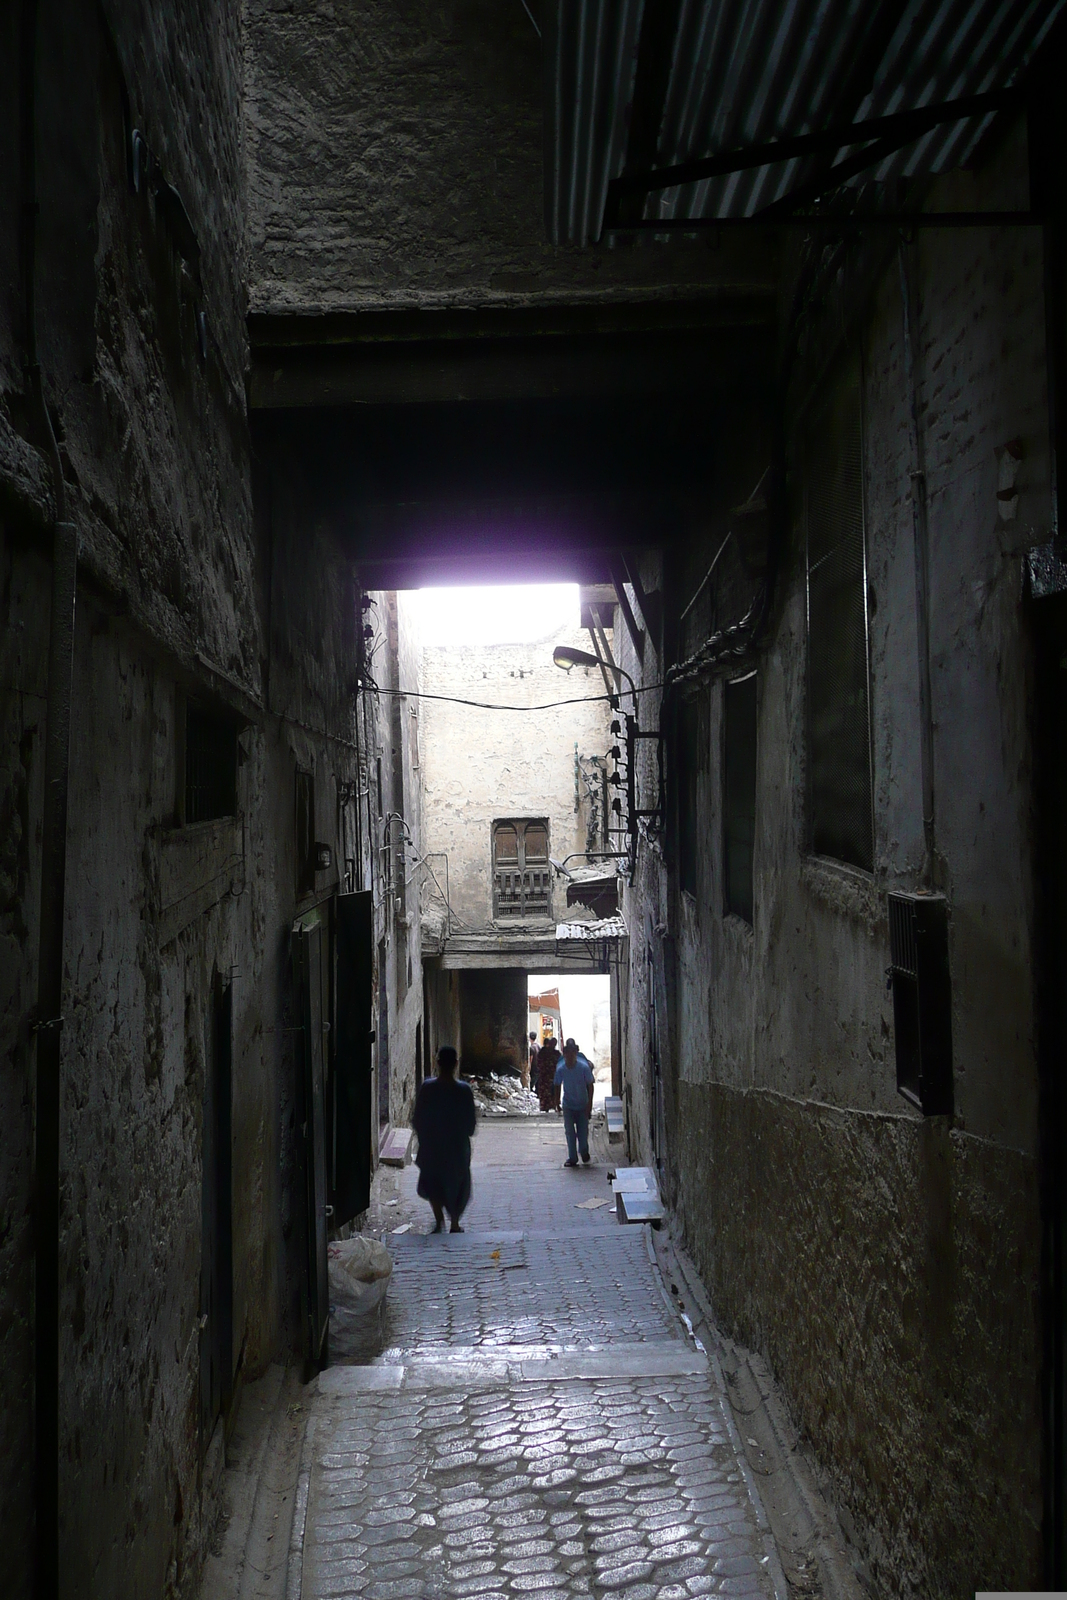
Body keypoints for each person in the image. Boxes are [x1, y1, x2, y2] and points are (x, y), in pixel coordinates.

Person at [412, 1045, 477, 1233]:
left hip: (432, 1148)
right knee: (458, 1185)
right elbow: (470, 1124)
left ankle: (439, 1220)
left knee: (433, 1183)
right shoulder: (463, 1090)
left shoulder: (427, 1088)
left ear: (437, 1063)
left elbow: (418, 1118)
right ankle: (454, 1222)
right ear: (456, 1064)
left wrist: (424, 1138)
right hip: (457, 1148)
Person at [554, 1037, 594, 1167]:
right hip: (569, 1105)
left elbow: (590, 1085)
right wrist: (557, 1102)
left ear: (576, 1054)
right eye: (568, 1053)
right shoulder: (561, 1069)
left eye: (572, 1053)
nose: (570, 1056)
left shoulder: (583, 1068)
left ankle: (584, 1151)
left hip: (582, 1105)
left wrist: (589, 1105)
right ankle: (572, 1157)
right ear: (564, 1055)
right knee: (570, 1132)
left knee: (583, 1132)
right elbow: (557, 1085)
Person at [535, 1033, 561, 1112]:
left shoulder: (543, 1052)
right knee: (551, 1091)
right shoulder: (556, 1054)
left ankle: (548, 1105)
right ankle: (552, 1105)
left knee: (548, 1091)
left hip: (546, 1076)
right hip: (549, 1076)